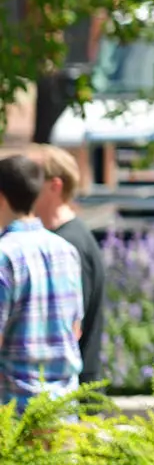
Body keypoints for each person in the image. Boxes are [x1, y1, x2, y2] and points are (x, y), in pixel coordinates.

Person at [0, 154, 83, 410]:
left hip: (14, 411)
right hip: (62, 407)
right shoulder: (66, 250)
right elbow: (75, 329)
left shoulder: (4, 255)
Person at [31, 146, 104, 385]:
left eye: (32, 179)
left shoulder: (67, 245)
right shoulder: (65, 238)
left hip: (71, 397)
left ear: (55, 186)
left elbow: (68, 328)